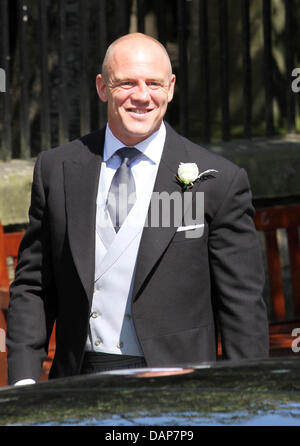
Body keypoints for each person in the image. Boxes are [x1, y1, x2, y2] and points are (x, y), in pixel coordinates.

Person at [6, 33, 269, 385]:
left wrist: (247, 396)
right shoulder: (58, 168)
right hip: (79, 380)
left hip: (178, 383)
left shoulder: (216, 181)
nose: (142, 96)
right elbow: (34, 286)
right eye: (127, 83)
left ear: (171, 87)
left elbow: (241, 305)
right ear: (102, 88)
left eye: (154, 83)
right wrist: (24, 379)